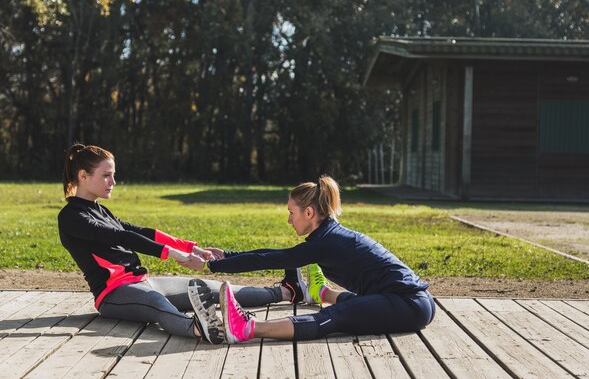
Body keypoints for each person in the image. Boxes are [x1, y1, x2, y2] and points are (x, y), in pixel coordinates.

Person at [58, 143, 299, 344]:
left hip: (144, 282)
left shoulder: (100, 210)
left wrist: (189, 248)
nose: (113, 182)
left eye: (113, 175)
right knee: (156, 304)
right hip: (113, 295)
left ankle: (287, 291)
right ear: (83, 176)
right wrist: (175, 255)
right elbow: (122, 237)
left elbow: (139, 231)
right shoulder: (72, 217)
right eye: (106, 175)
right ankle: (203, 328)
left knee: (209, 287)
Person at [186, 175, 436, 343]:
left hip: (408, 305)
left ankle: (247, 328)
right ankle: (321, 292)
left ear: (309, 212)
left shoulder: (326, 241)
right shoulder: (329, 234)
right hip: (412, 302)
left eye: (291, 213)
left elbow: (270, 259)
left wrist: (212, 265)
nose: (289, 220)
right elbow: (274, 254)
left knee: (336, 316)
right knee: (356, 305)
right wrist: (224, 256)